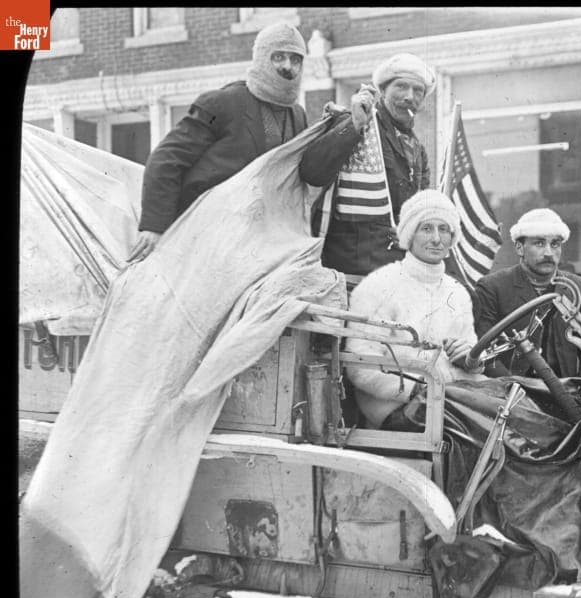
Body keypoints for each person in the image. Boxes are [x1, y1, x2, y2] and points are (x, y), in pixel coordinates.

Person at [129, 22, 308, 262]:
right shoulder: (222, 103)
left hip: (260, 239)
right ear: (261, 58)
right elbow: (166, 159)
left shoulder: (297, 115)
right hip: (206, 234)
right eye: (278, 57)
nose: (287, 66)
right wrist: (155, 226)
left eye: (295, 59)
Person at [344, 190, 484, 428]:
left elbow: (469, 351)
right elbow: (360, 367)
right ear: (410, 234)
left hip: (451, 399)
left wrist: (470, 360)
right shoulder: (379, 285)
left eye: (444, 229)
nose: (437, 239)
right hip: (397, 407)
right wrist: (418, 387)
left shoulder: (457, 292)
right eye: (426, 228)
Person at [300, 52, 435, 279]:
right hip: (349, 272)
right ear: (382, 91)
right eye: (401, 87)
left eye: (418, 91)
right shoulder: (358, 120)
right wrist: (354, 126)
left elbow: (418, 209)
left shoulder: (416, 149)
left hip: (397, 271)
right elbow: (312, 171)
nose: (410, 97)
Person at [473, 208, 581, 380]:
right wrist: (514, 388)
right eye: (539, 243)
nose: (549, 253)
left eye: (555, 244)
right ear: (519, 248)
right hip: (511, 394)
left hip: (567, 393)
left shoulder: (575, 287)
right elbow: (485, 354)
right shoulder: (492, 287)